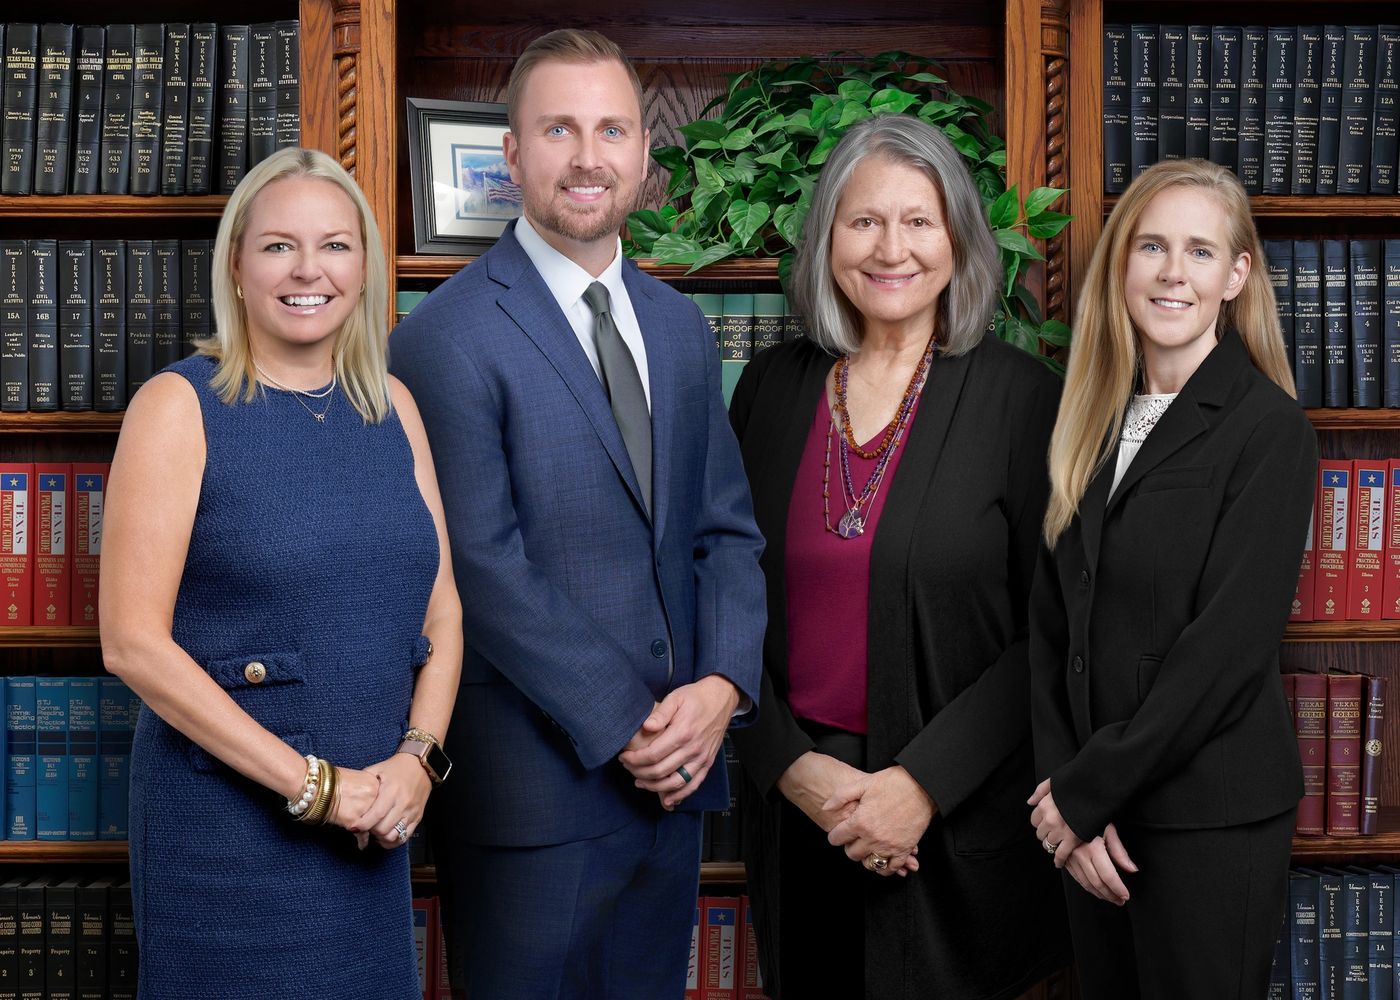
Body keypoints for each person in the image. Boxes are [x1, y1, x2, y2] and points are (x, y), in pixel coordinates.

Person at [388, 29, 766, 999]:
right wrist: (629, 724)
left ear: (645, 152)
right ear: (511, 154)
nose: (588, 157)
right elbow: (479, 561)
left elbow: (723, 529)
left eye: (611, 130)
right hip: (533, 796)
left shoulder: (680, 328)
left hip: (675, 786)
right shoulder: (442, 335)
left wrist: (720, 684)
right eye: (558, 129)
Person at [99, 146, 463, 999]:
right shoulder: (177, 406)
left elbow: (442, 612)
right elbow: (132, 645)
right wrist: (313, 787)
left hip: (373, 828)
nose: (309, 270)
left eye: (336, 245)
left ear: (366, 265)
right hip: (225, 837)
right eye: (278, 247)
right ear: (236, 263)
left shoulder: (392, 407)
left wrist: (420, 760)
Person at [727, 113, 1069, 1000]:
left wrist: (920, 785)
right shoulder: (770, 388)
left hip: (954, 824)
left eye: (919, 221)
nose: (892, 248)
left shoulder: (1022, 398)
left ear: (958, 236)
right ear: (827, 239)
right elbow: (716, 596)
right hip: (799, 807)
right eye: (864, 220)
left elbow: (1051, 628)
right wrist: (788, 767)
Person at [1027, 158, 1317, 998]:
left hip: (1208, 820)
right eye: (1150, 246)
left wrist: (1086, 792)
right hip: (1087, 818)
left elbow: (1226, 651)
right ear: (1121, 266)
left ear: (1236, 275)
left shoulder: (1269, 430)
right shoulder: (1088, 419)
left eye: (1198, 251)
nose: (1170, 272)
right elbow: (1051, 628)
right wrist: (1064, 806)